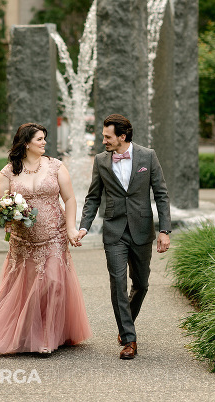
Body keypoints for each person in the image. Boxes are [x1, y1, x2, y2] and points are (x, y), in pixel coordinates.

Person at [0, 123, 92, 354]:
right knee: (27, 288)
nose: (44, 143)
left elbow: (69, 199)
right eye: (39, 139)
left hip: (54, 234)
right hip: (23, 239)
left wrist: (70, 229)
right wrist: (8, 216)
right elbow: (0, 204)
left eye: (44, 139)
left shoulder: (56, 166)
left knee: (53, 284)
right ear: (26, 143)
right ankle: (26, 335)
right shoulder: (8, 172)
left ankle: (48, 337)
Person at [75, 113, 172, 360]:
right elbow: (93, 197)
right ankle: (129, 338)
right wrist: (84, 227)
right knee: (117, 283)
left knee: (141, 284)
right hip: (114, 230)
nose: (104, 141)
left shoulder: (147, 156)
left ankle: (125, 320)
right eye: (103, 136)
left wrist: (164, 230)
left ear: (122, 136)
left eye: (108, 137)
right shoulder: (100, 161)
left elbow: (161, 194)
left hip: (141, 229)